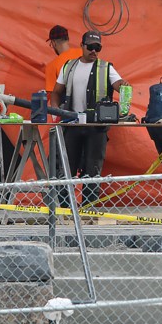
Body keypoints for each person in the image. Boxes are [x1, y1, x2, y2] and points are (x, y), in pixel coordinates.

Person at [50, 30, 129, 206]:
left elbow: (120, 85)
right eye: (91, 47)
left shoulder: (106, 67)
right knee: (66, 169)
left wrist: (123, 87)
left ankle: (88, 210)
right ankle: (66, 208)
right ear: (82, 46)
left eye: (98, 47)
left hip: (96, 127)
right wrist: (56, 111)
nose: (94, 51)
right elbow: (56, 92)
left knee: (92, 170)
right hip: (72, 125)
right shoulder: (69, 66)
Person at [44, 24, 82, 94]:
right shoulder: (84, 53)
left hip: (68, 104)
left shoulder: (52, 66)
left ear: (53, 43)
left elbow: (51, 96)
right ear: (68, 39)